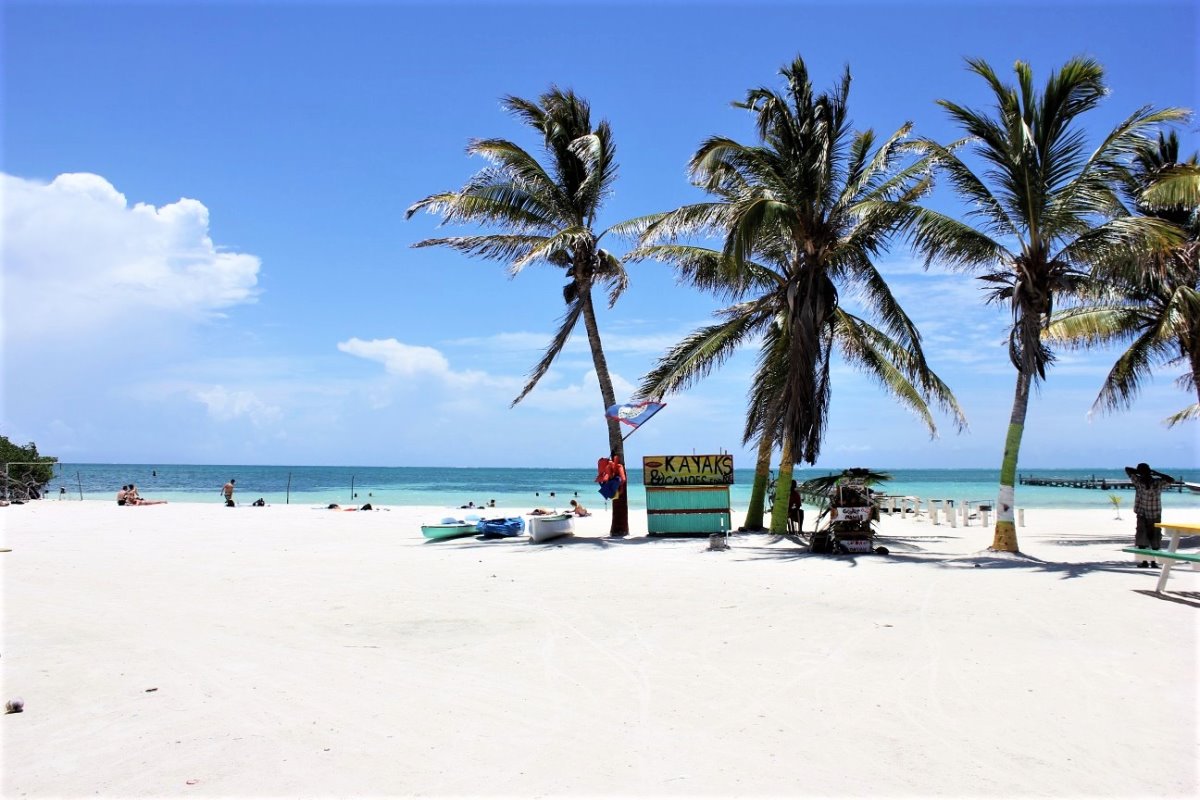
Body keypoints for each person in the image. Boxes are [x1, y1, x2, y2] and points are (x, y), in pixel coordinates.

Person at [1125, 463, 1174, 568]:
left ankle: (1153, 562)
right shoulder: (1139, 481)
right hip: (1142, 513)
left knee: (1155, 539)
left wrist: (1156, 473)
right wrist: (1142, 473)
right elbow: (1127, 469)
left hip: (1154, 514)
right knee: (1142, 539)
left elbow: (1171, 480)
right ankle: (1144, 561)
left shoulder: (1157, 482)